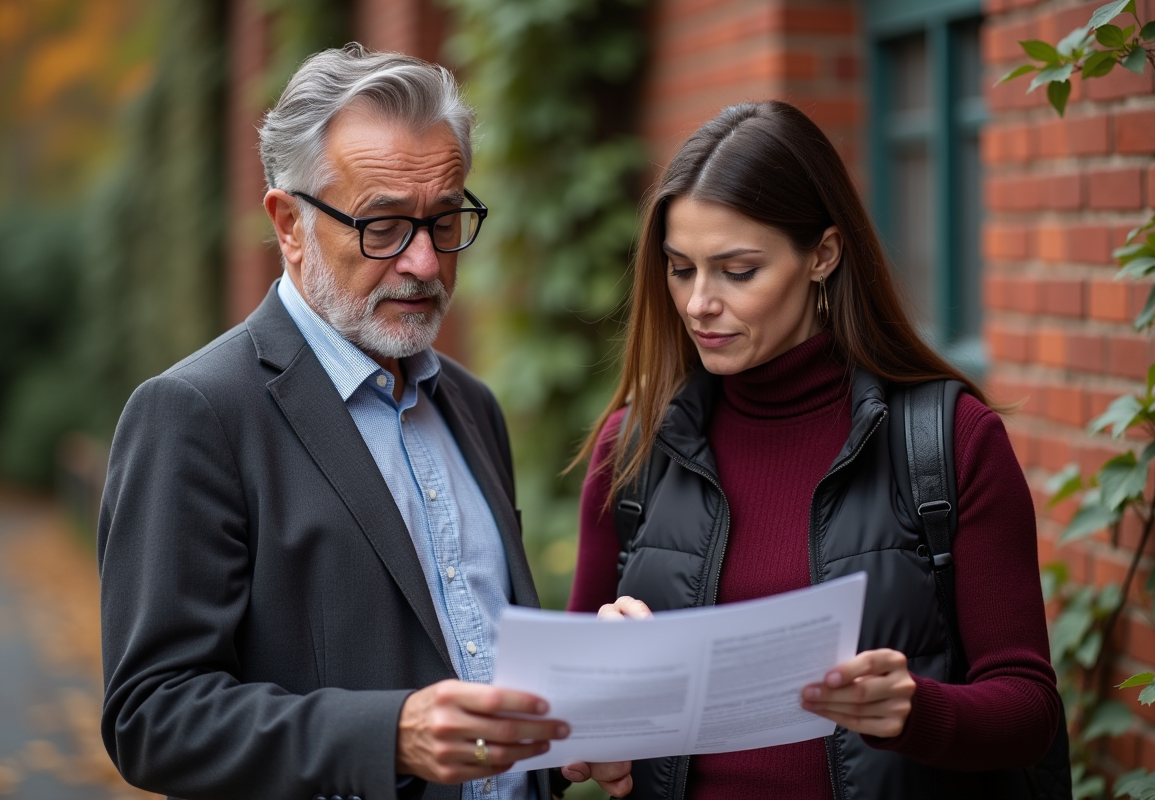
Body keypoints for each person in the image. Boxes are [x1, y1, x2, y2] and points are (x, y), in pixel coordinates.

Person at [97, 44, 627, 800]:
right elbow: (153, 717)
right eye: (383, 227)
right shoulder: (196, 414)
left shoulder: (472, 407)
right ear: (288, 225)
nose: (424, 263)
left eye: (445, 222)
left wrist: (584, 702)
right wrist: (389, 738)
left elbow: (484, 664)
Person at [564, 100, 1060, 799]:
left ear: (822, 255)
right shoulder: (634, 449)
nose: (699, 302)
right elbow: (569, 728)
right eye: (680, 269)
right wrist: (598, 710)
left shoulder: (948, 441)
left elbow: (1029, 709)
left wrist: (912, 709)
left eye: (737, 271)